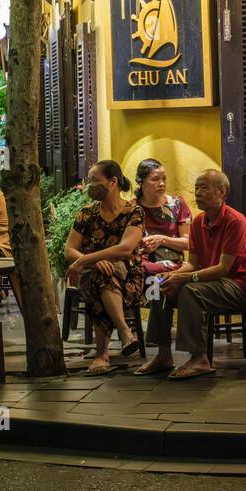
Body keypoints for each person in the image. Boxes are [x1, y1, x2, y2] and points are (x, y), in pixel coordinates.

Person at [136, 169, 246, 380]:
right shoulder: (198, 222)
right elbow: (192, 264)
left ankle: (199, 358)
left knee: (190, 291)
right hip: (210, 281)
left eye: (204, 187)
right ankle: (163, 354)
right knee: (160, 284)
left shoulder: (234, 222)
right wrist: (172, 274)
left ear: (222, 192)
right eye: (196, 188)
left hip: (238, 284)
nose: (198, 192)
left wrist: (185, 278)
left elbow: (222, 269)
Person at [64, 160, 145, 375]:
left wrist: (86, 259)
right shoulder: (86, 213)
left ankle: (102, 355)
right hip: (95, 274)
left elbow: (125, 249)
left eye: (94, 180)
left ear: (113, 181)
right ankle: (125, 332)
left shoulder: (134, 212)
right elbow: (70, 249)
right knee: (102, 277)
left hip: (130, 275)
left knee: (103, 279)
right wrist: (92, 261)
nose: (90, 185)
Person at [133, 158, 192, 276]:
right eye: (155, 179)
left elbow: (189, 243)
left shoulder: (176, 204)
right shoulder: (132, 208)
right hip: (142, 264)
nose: (162, 184)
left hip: (173, 264)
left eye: (164, 178)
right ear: (141, 182)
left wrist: (162, 240)